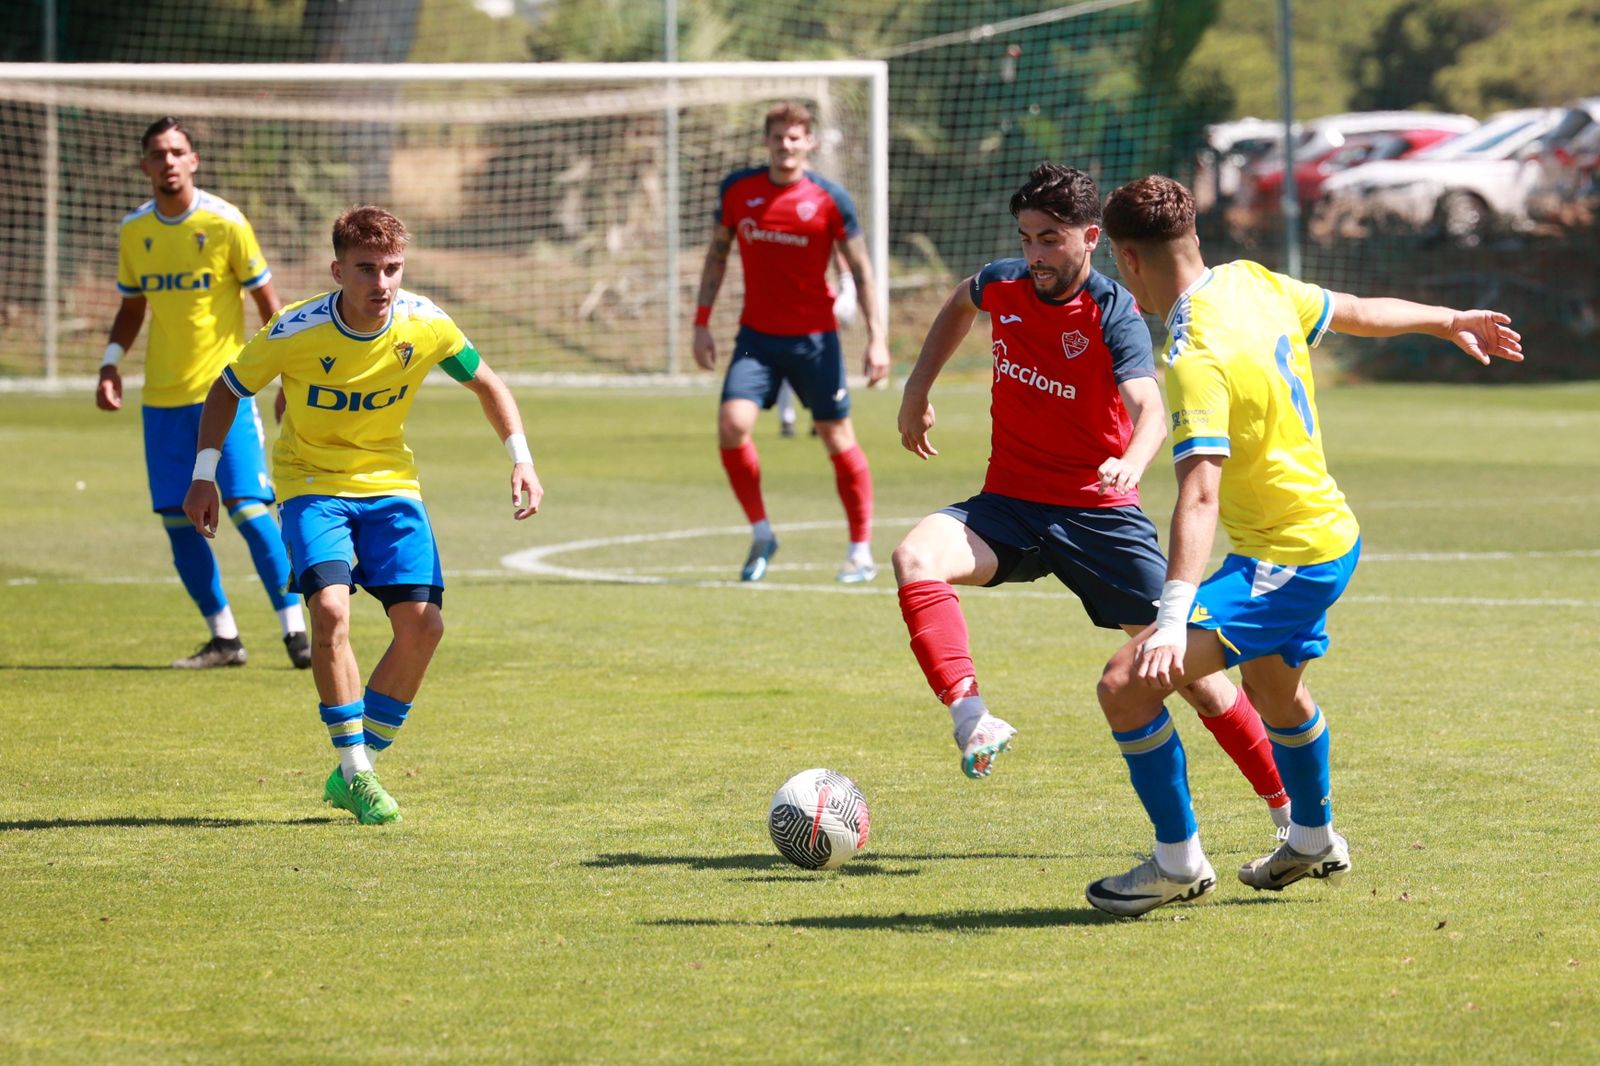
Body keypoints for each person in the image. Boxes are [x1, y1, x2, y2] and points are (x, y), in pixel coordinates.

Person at [1084, 175, 1521, 917]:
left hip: (1285, 558)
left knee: (1126, 686)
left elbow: (1198, 493)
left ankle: (1176, 861)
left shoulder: (1193, 355)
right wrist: (1448, 319)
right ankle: (1313, 839)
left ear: (1127, 261)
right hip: (1319, 537)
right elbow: (1354, 311)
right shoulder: (1251, 283)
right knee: (1275, 689)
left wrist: (1170, 616)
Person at [894, 163, 1290, 832]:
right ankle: (973, 720)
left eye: (1050, 239)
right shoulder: (1004, 285)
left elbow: (1152, 410)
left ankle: (1291, 817)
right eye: (1025, 238)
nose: (1034, 256)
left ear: (1090, 237)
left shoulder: (1114, 314)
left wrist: (1131, 462)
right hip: (1012, 507)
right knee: (914, 556)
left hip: (1099, 516)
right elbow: (961, 304)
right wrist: (916, 390)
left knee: (1194, 678)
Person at [182, 205, 544, 825]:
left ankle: (358, 761)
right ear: (338, 270)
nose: (382, 283)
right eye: (367, 269)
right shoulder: (296, 329)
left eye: (393, 269)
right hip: (311, 485)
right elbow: (227, 389)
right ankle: (356, 768)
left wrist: (521, 459)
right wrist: (203, 475)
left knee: (424, 628)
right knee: (328, 609)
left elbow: (487, 382)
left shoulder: (424, 323)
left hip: (392, 485)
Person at [97, 116, 308, 670]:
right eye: (157, 153)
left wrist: (286, 378)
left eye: (177, 151)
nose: (168, 161)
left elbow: (270, 308)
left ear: (193, 161)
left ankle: (296, 633)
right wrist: (110, 363)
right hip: (162, 403)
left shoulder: (224, 223)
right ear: (144, 165)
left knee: (250, 509)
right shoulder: (134, 231)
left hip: (226, 393)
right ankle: (225, 639)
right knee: (176, 518)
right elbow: (131, 306)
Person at [692, 101, 889, 583]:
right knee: (731, 424)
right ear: (767, 141)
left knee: (836, 436)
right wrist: (701, 322)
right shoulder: (739, 191)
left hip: (815, 341)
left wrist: (877, 338)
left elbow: (861, 272)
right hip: (756, 338)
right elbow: (717, 257)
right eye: (778, 136)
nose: (786, 145)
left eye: (796, 137)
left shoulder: (830, 198)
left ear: (810, 143)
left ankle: (860, 550)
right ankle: (762, 533)